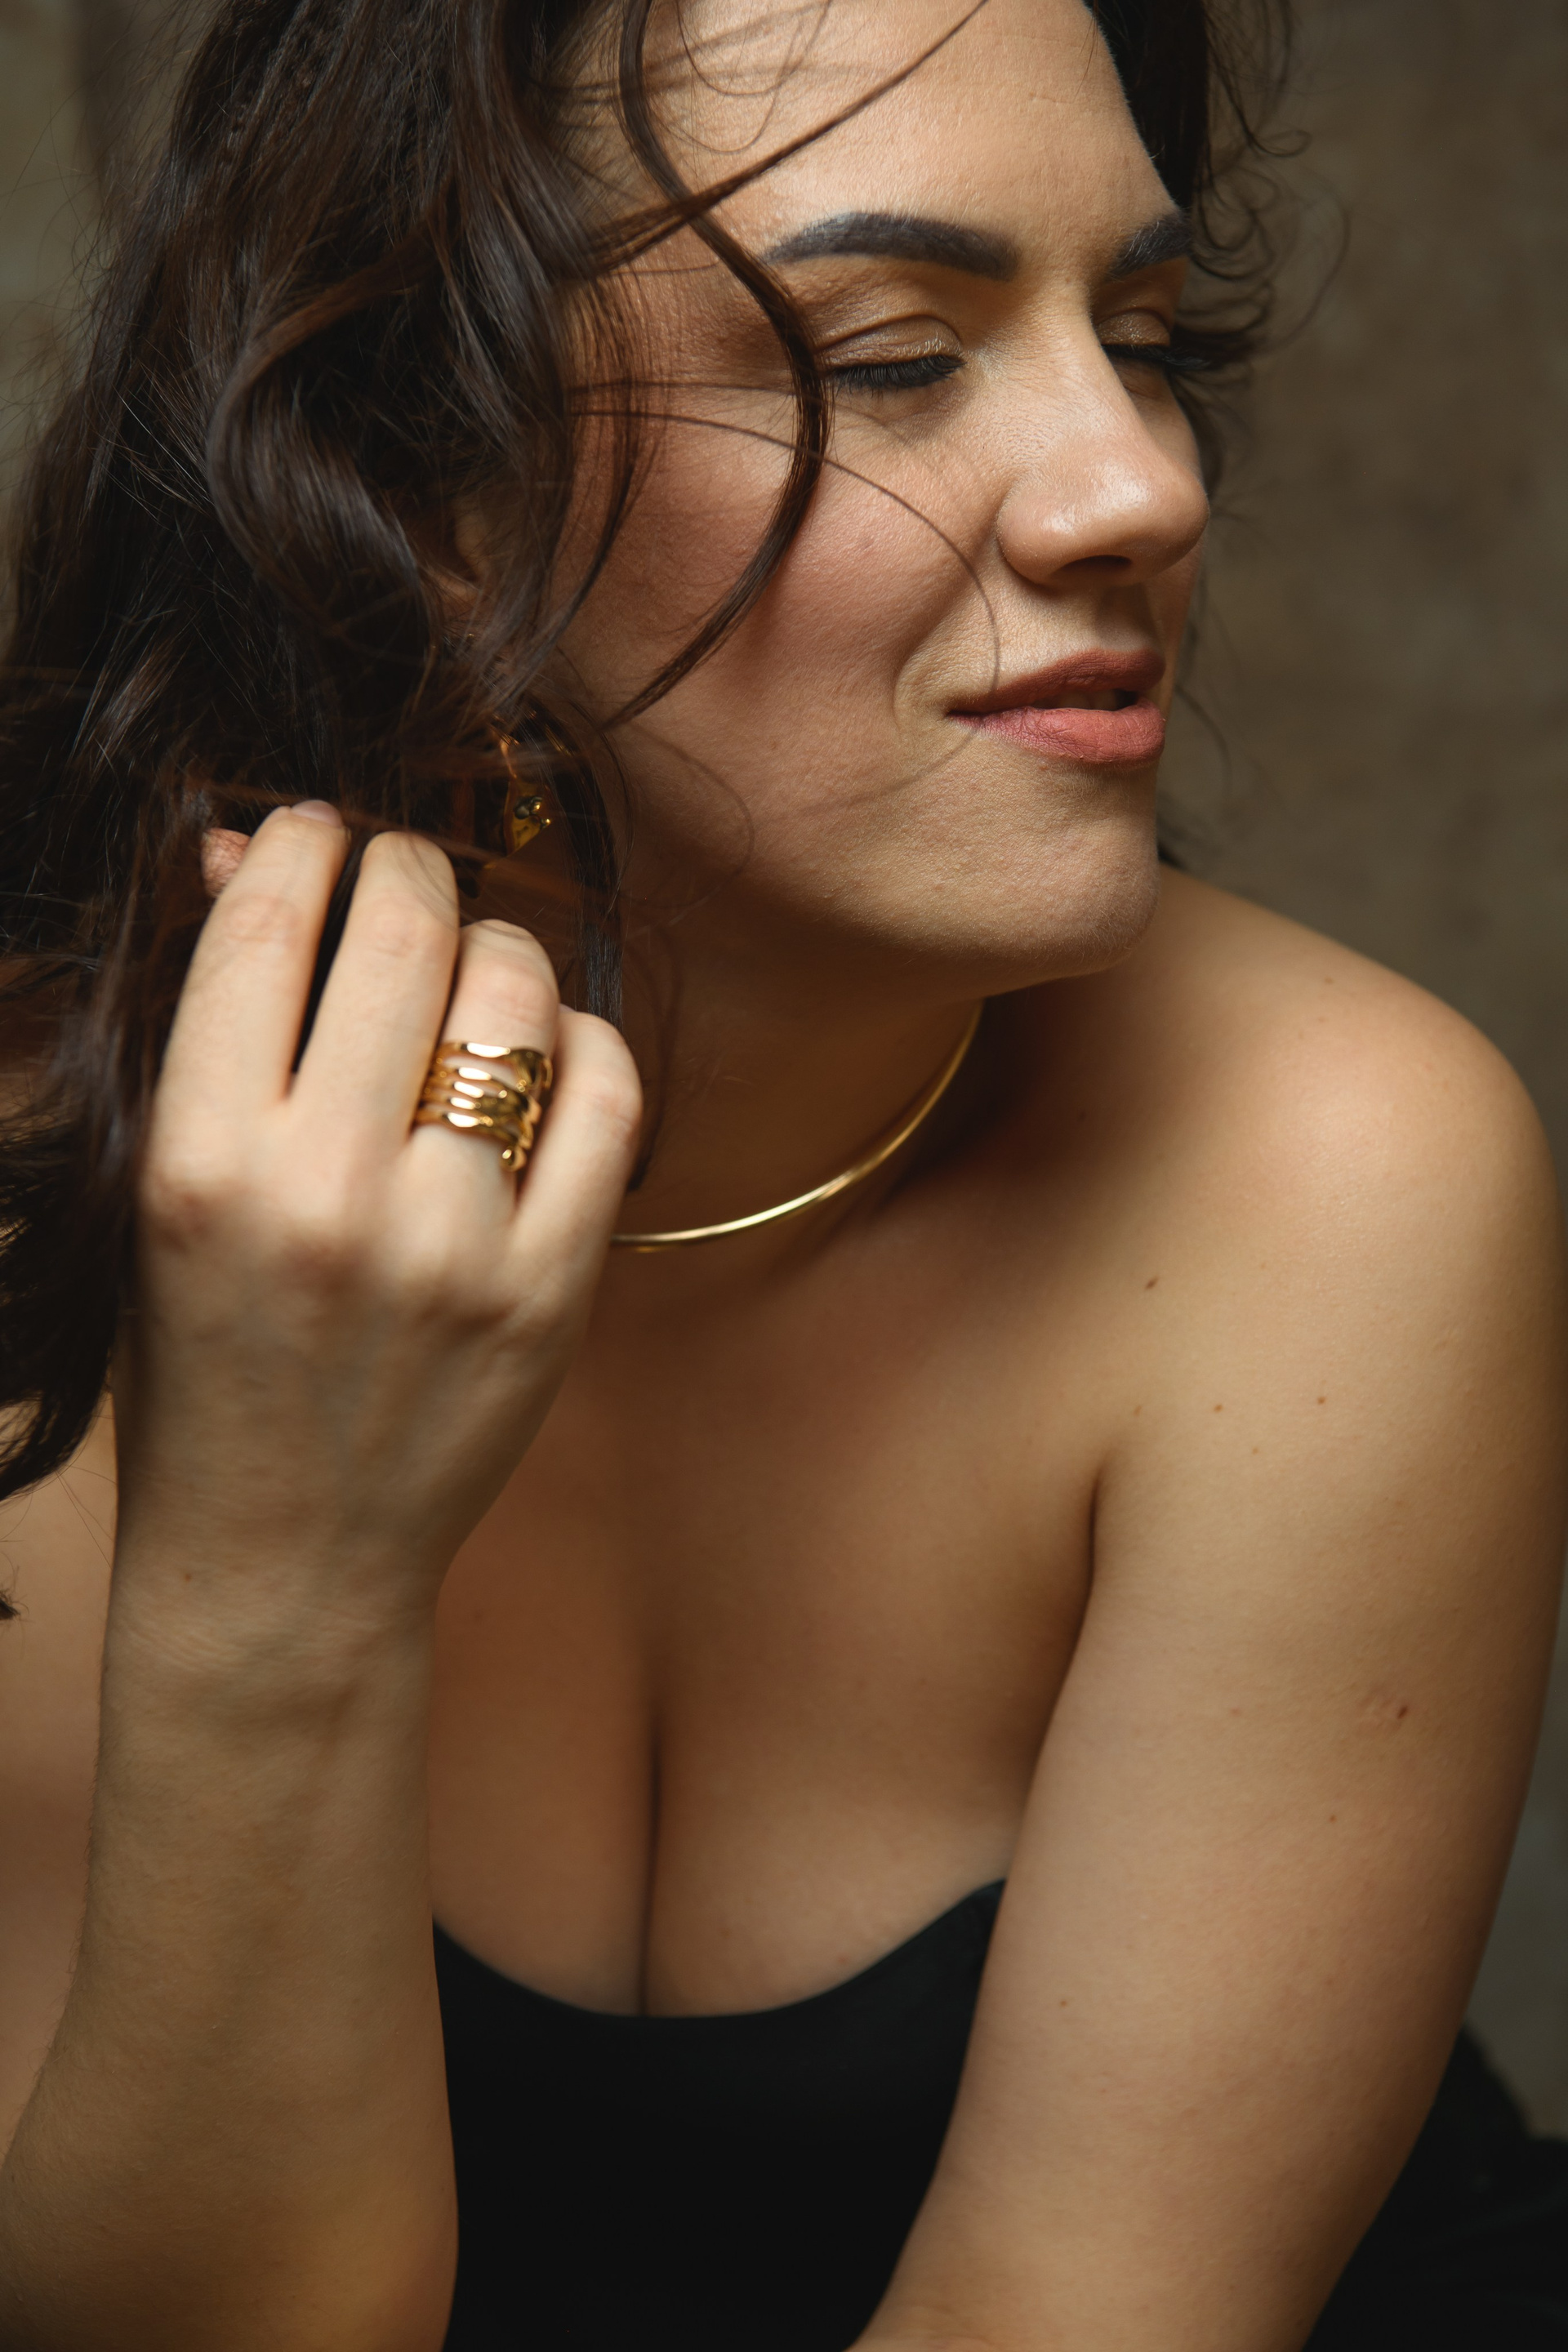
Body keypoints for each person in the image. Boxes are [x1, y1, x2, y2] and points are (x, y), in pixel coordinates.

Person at [1, 0, 1566, 2345]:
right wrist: (277, 1583)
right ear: (432, 499)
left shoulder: (1330, 1173)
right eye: (898, 358)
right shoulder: (70, 1184)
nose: (1137, 488)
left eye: (1145, 341)